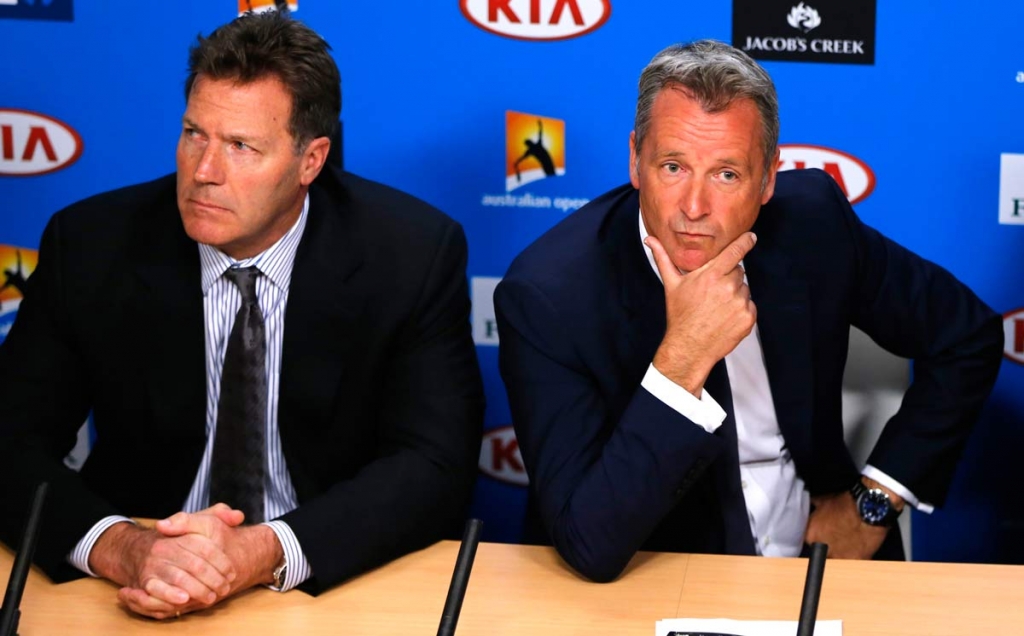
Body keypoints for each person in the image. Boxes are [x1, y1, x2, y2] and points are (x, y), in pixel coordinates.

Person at [0, 11, 484, 619]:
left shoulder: (410, 253)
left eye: (241, 146)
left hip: (326, 582)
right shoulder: (93, 244)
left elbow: (434, 464)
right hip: (135, 583)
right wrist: (124, 547)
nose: (203, 172)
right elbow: (10, 442)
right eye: (194, 134)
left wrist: (262, 552)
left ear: (311, 161)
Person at [494, 40, 1003, 583]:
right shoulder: (549, 294)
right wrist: (681, 360)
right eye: (673, 166)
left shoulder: (812, 224)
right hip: (658, 570)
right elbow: (589, 542)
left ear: (767, 180)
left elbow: (967, 335)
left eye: (726, 174)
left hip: (828, 557)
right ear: (635, 160)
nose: (694, 207)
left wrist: (873, 501)